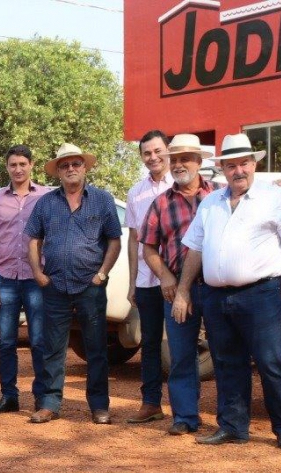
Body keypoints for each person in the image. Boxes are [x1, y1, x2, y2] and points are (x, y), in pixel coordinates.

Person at [173, 133, 281, 449]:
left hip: (260, 294)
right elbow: (195, 249)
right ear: (222, 169)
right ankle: (233, 427)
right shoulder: (210, 203)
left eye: (244, 163)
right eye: (231, 165)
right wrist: (183, 290)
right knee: (226, 362)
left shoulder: (276, 198)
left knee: (270, 361)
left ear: (254, 164)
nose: (239, 171)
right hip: (215, 295)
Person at [26, 143, 122, 425]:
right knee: (52, 348)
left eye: (75, 164)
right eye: (65, 165)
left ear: (84, 167)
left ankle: (99, 406)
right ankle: (49, 403)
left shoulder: (103, 200)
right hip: (54, 285)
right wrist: (38, 273)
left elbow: (114, 240)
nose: (70, 169)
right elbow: (33, 239)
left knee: (96, 348)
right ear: (58, 171)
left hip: (90, 286)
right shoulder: (45, 203)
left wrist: (102, 273)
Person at [139, 134, 216, 436]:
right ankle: (184, 416)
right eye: (176, 159)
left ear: (199, 162)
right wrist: (167, 277)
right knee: (182, 354)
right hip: (177, 291)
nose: (180, 164)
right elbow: (148, 248)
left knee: (224, 354)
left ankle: (231, 419)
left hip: (215, 287)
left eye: (186, 158)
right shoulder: (160, 204)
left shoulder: (219, 198)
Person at [0, 144, 51, 414]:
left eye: (23, 164)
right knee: (6, 341)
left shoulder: (46, 197)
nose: (18, 169)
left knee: (38, 340)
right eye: (13, 165)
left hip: (36, 278)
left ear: (31, 165)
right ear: (7, 167)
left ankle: (42, 396)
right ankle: (9, 396)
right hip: (6, 278)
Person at [124, 130, 173, 424]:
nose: (152, 157)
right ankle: (151, 403)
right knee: (151, 342)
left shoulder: (182, 186)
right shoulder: (135, 192)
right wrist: (132, 282)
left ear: (167, 151)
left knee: (182, 343)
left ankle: (186, 407)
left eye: (157, 151)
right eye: (146, 153)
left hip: (178, 278)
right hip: (145, 279)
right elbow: (133, 240)